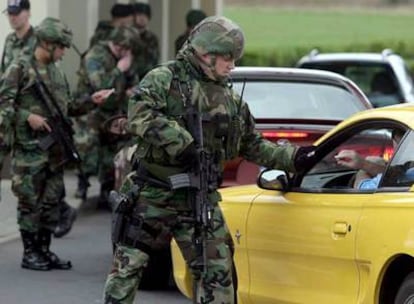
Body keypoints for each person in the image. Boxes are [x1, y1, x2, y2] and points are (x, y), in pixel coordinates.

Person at [102, 16, 314, 304]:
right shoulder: (164, 79)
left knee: (217, 270)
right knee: (128, 268)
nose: (232, 65)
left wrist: (295, 158)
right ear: (206, 53)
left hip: (198, 197)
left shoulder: (230, 100)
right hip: (153, 193)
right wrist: (182, 143)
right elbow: (140, 114)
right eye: (227, 58)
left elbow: (252, 144)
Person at [0, 17, 112, 271]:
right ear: (48, 44)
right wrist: (28, 117)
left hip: (54, 152)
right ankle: (30, 252)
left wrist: (92, 101)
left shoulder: (56, 72)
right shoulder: (19, 68)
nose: (63, 52)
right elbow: (3, 105)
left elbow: (67, 108)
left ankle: (44, 250)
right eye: (61, 47)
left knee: (51, 202)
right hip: (29, 151)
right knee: (30, 202)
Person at [0, 0, 77, 238]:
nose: (12, 18)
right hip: (25, 138)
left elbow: (62, 101)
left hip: (48, 139)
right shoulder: (14, 49)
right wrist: (25, 116)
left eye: (17, 13)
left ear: (28, 13)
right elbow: (6, 95)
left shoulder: (47, 53)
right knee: (29, 196)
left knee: (49, 193)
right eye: (9, 13)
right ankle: (33, 250)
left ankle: (44, 245)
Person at [75, 25, 141, 209]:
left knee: (122, 142)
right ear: (121, 46)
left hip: (112, 110)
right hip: (90, 111)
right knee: (89, 145)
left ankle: (108, 188)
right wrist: (119, 69)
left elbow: (134, 81)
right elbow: (99, 86)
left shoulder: (125, 59)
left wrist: (131, 89)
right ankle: (83, 180)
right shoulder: (95, 56)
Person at [335, 129, 404, 189]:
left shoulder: (409, 174)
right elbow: (397, 175)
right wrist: (365, 164)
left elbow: (364, 189)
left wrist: (362, 168)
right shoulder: (409, 170)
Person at [132, 2, 159, 78]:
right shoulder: (129, 36)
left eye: (145, 15)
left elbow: (154, 60)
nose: (142, 18)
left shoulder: (152, 38)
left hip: (147, 76)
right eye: (139, 15)